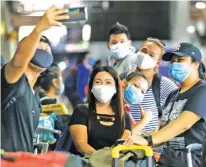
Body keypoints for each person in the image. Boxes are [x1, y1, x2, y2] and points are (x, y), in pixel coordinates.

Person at [124, 43, 206, 167]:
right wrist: (135, 139)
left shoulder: (202, 90)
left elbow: (184, 124)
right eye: (173, 61)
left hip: (189, 160)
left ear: (195, 64)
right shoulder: (173, 95)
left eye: (181, 60)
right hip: (167, 158)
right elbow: (161, 131)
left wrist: (148, 141)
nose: (175, 64)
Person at [1, 6, 69, 152]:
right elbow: (18, 62)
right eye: (38, 46)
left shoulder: (36, 99)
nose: (44, 49)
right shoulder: (13, 80)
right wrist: (40, 28)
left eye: (47, 49)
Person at [69, 66, 131, 156]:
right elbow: (81, 145)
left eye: (108, 82)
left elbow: (122, 145)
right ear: (91, 87)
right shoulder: (81, 111)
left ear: (116, 88)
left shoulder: (123, 116)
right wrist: (101, 161)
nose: (103, 86)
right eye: (98, 82)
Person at [130, 38, 178, 134]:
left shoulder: (165, 85)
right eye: (143, 50)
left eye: (151, 55)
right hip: (122, 141)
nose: (145, 56)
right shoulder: (122, 80)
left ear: (158, 63)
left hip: (151, 145)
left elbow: (177, 118)